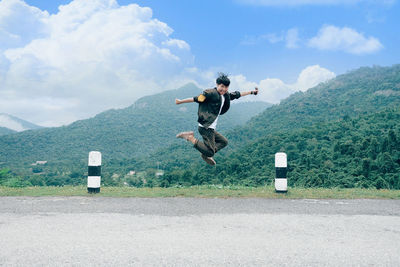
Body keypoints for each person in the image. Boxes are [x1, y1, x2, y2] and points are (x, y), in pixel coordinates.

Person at [175, 73, 258, 165]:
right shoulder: (210, 93)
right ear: (217, 85)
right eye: (222, 86)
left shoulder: (225, 95)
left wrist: (252, 92)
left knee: (224, 142)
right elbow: (196, 98)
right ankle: (190, 138)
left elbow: (238, 94)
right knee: (210, 152)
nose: (224, 89)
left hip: (211, 128)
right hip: (205, 127)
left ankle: (205, 154)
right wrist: (180, 101)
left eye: (226, 87)